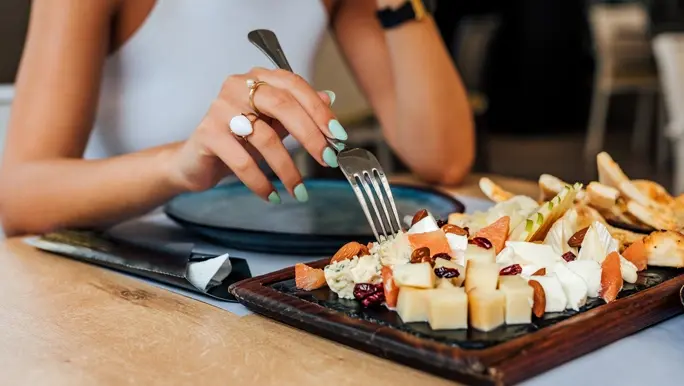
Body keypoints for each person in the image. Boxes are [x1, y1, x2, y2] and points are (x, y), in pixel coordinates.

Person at [0, 0, 474, 236]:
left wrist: (398, 4)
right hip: (127, 270)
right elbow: (21, 197)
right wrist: (180, 166)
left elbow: (442, 157)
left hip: (271, 273)